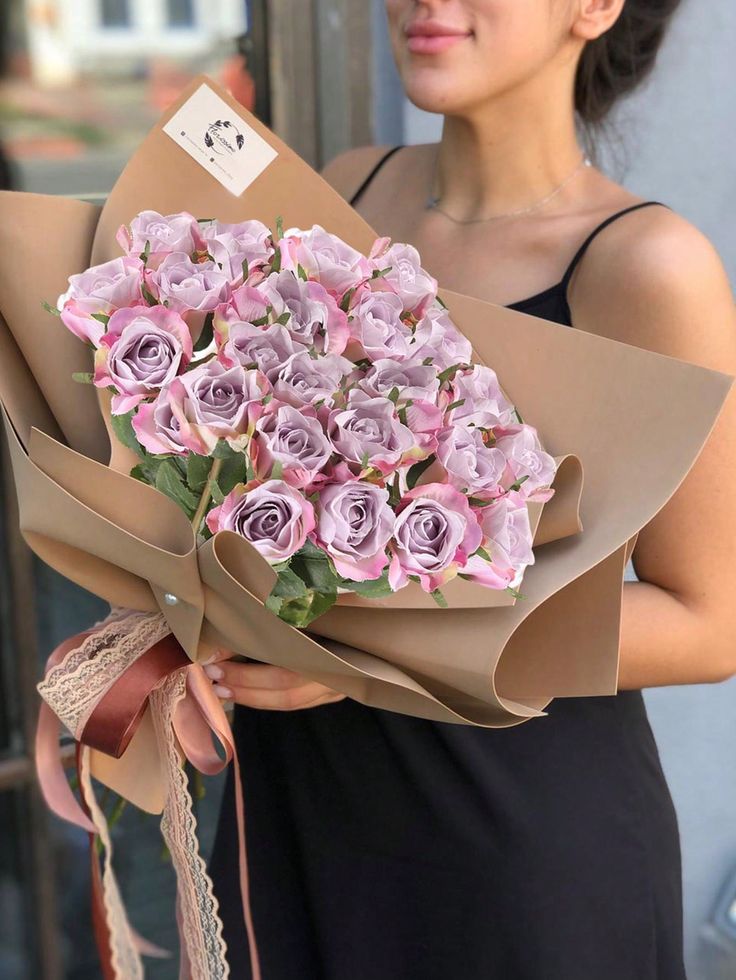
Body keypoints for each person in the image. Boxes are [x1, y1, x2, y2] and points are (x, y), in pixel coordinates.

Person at [206, 2, 736, 977]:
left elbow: (710, 623)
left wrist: (382, 642)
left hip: (510, 859)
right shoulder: (341, 191)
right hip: (297, 816)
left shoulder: (647, 268)